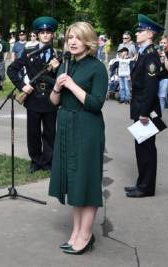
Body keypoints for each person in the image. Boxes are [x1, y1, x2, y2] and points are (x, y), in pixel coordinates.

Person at [48, 21, 108, 254]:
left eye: (77, 37)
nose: (72, 41)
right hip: (66, 125)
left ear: (88, 41)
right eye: (69, 37)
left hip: (87, 128)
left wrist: (71, 85)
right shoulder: (66, 65)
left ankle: (86, 235)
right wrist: (56, 87)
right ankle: (75, 232)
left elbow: (95, 104)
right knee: (74, 180)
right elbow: (55, 102)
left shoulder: (97, 68)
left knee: (87, 179)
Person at [7, 16, 60, 173]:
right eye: (42, 32)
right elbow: (12, 69)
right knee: (33, 132)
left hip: (51, 98)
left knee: (50, 131)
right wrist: (22, 86)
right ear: (37, 34)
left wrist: (56, 68)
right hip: (33, 98)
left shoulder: (58, 54)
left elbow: (62, 78)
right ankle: (36, 160)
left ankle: (49, 161)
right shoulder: (29, 52)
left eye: (48, 32)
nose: (45, 35)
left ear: (52, 35)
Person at [124, 14, 164, 198]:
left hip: (145, 110)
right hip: (140, 107)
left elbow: (151, 88)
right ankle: (142, 183)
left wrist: (144, 112)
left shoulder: (151, 56)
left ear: (149, 34)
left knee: (146, 149)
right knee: (141, 147)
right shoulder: (143, 53)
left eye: (140, 30)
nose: (136, 33)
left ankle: (146, 187)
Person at [157, 35, 168, 111]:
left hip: (165, 77)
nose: (162, 44)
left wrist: (165, 57)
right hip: (155, 77)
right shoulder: (155, 53)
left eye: (164, 43)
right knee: (154, 96)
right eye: (161, 43)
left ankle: (158, 118)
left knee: (161, 97)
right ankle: (153, 116)